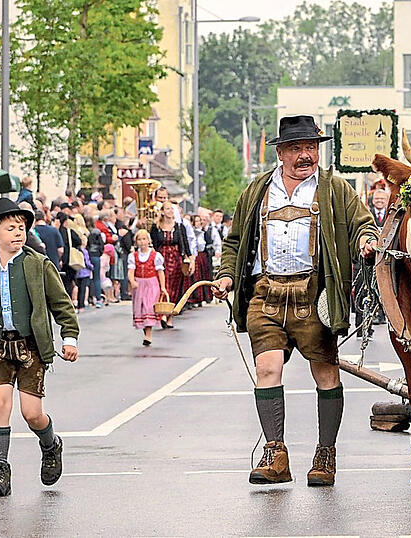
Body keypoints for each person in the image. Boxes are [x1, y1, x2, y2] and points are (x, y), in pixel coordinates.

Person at [212, 115, 379, 487]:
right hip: (265, 295)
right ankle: (276, 455)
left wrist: (366, 242)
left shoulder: (335, 188)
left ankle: (325, 454)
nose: (305, 155)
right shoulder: (257, 190)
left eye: (310, 147)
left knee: (325, 372)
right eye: (296, 148)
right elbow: (235, 242)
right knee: (267, 368)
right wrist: (226, 275)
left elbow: (362, 225)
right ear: (281, 153)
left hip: (315, 296)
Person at [0, 198, 79, 497]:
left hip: (30, 348)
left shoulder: (38, 264)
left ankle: (50, 444)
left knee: (31, 413)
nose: (18, 232)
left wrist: (69, 337)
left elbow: (62, 305)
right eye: (10, 228)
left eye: (21, 227)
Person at [151, 202, 191, 329]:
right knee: (163, 286)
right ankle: (162, 313)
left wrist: (189, 258)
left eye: (171, 209)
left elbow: (185, 244)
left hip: (176, 259)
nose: (170, 211)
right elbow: (153, 244)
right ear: (162, 211)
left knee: (174, 287)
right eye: (167, 209)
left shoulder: (179, 226)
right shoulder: (156, 227)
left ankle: (169, 316)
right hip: (161, 258)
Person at [128, 229, 166, 347]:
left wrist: (163, 287)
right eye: (139, 239)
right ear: (136, 242)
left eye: (144, 239)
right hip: (139, 284)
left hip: (151, 284)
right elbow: (131, 271)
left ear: (149, 241)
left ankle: (148, 335)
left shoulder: (155, 256)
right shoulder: (133, 256)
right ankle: (146, 332)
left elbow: (160, 272)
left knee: (149, 307)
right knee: (140, 308)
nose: (142, 242)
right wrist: (132, 281)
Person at [190, 214, 214, 307]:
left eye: (199, 221)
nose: (198, 223)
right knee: (196, 277)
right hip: (195, 255)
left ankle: (204, 297)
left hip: (202, 256)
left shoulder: (204, 232)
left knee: (204, 275)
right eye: (196, 221)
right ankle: (196, 298)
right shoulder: (191, 232)